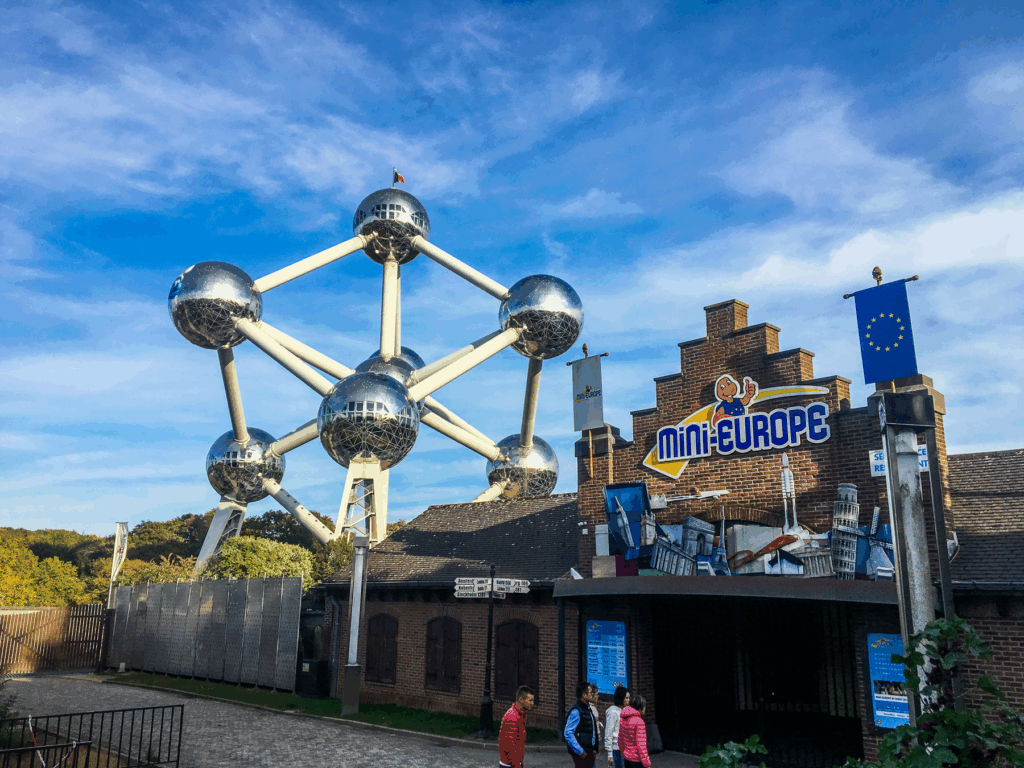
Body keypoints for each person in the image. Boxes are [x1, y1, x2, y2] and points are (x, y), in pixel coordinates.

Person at [564, 681, 601, 767]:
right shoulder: (576, 710)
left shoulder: (587, 708)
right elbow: (568, 733)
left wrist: (594, 747)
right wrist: (580, 751)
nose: (592, 694)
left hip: (589, 750)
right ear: (584, 695)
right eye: (590, 692)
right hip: (582, 752)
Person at [500, 685, 535, 768]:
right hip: (510, 764)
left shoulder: (520, 714)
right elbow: (510, 747)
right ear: (521, 700)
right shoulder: (513, 717)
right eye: (530, 700)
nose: (532, 703)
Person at [617, 693, 651, 768]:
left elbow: (620, 739)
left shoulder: (623, 719)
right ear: (640, 707)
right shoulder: (639, 722)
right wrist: (646, 763)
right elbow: (641, 744)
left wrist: (623, 752)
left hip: (627, 758)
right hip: (637, 760)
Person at [605, 686, 630, 768]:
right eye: (626, 698)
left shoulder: (625, 711)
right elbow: (608, 733)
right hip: (616, 749)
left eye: (629, 698)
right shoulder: (613, 712)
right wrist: (609, 753)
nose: (628, 700)